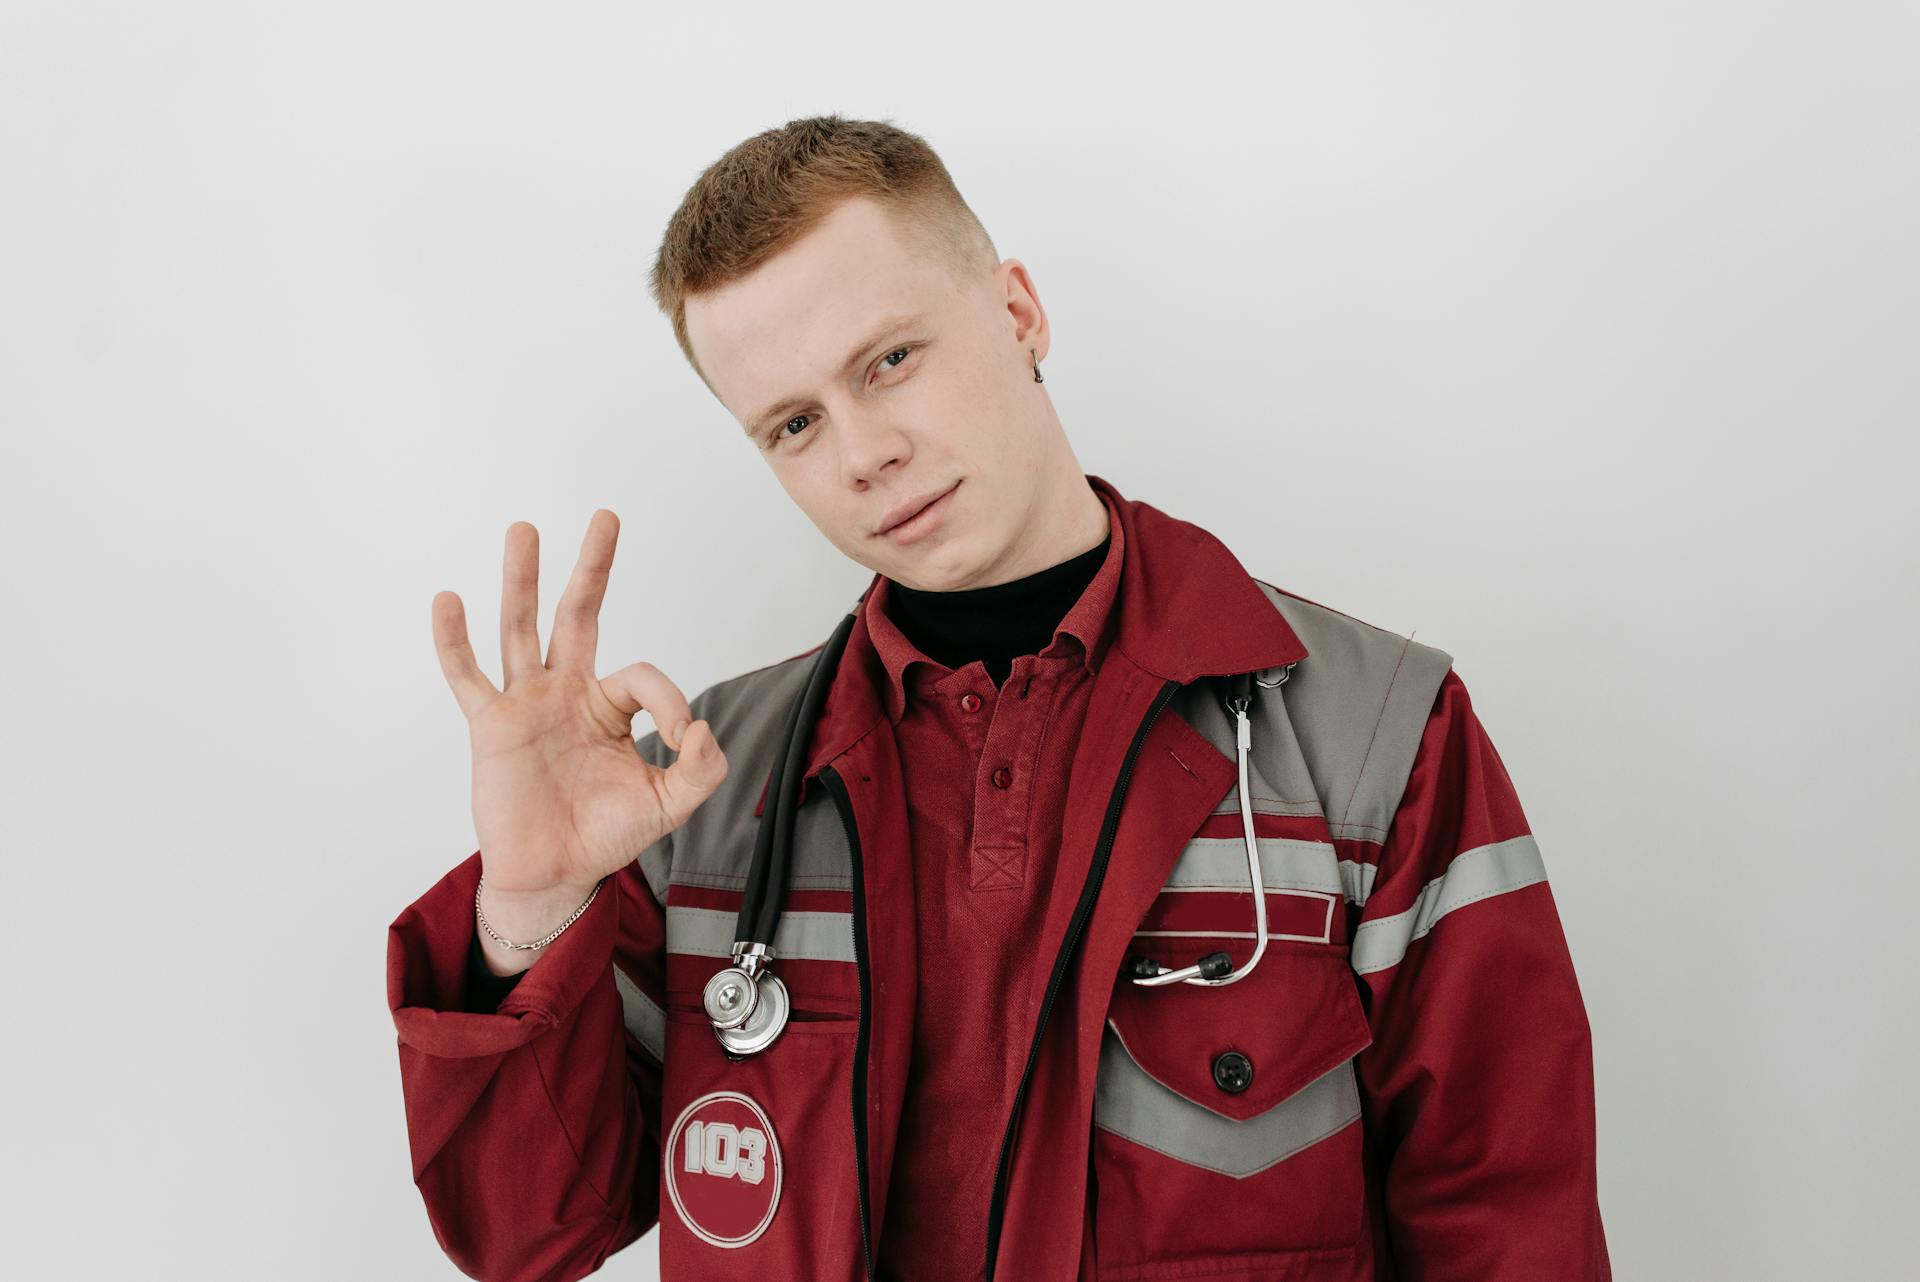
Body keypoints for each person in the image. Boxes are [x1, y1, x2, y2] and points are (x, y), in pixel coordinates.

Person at [386, 115, 1610, 1282]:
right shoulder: (700, 793)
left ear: (1019, 311)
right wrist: (532, 909)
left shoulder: (1376, 737)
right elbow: (526, 1233)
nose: (864, 451)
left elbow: (1505, 1222)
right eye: (795, 422)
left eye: (892, 360)